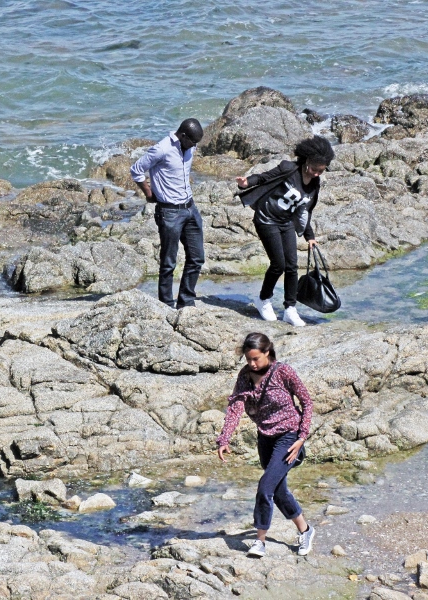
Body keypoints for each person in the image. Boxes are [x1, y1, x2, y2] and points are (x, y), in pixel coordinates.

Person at [216, 332, 315, 558]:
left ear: (267, 353)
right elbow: (235, 408)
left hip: (289, 438)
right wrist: (224, 439)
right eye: (248, 359)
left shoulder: (283, 372)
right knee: (278, 491)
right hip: (265, 439)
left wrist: (301, 437)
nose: (252, 364)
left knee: (264, 487)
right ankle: (306, 531)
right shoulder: (245, 376)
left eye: (256, 359)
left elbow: (307, 402)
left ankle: (259, 541)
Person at [235, 135, 335, 326]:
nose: (316, 174)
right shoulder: (288, 169)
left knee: (292, 265)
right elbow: (264, 177)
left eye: (320, 171)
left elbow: (304, 210)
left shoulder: (315, 183)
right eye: (314, 169)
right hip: (266, 219)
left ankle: (290, 309)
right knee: (278, 264)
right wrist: (247, 182)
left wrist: (310, 236)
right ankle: (263, 300)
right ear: (307, 161)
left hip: (286, 222)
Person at [130, 119, 205, 309]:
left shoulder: (189, 146)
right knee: (169, 263)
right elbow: (136, 170)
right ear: (183, 136)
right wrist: (149, 193)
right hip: (169, 212)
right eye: (193, 142)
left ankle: (186, 302)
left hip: (190, 208)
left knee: (197, 257)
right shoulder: (161, 149)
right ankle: (165, 304)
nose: (194, 147)